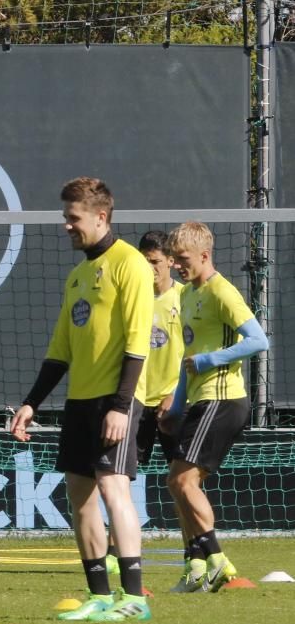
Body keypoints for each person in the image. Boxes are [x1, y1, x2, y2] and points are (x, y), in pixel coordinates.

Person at [10, 177, 153, 622]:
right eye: (65, 218)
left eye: (73, 218)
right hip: (79, 401)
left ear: (100, 216)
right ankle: (99, 594)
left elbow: (137, 342)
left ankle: (134, 598)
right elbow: (60, 352)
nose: (66, 226)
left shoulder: (131, 264)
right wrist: (31, 403)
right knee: (80, 495)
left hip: (116, 398)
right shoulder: (76, 277)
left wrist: (121, 405)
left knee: (114, 488)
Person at [159, 220, 269, 592]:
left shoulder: (223, 292)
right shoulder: (187, 294)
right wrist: (175, 405)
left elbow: (257, 341)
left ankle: (217, 560)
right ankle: (195, 564)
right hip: (199, 399)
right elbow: (190, 355)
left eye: (183, 258)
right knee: (179, 485)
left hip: (223, 398)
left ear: (205, 255)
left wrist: (211, 361)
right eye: (173, 258)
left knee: (181, 480)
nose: (176, 264)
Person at [104, 230, 185, 577]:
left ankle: (193, 549)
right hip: (134, 404)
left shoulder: (185, 299)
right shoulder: (131, 299)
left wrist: (176, 393)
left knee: (184, 480)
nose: (150, 269)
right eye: (144, 262)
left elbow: (196, 353)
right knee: (115, 478)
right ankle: (112, 551)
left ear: (170, 261)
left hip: (173, 403)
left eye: (155, 262)